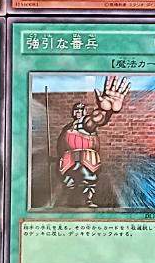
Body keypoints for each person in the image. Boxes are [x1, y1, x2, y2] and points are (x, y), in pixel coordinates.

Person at [56, 76, 131, 206]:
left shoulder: (85, 123)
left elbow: (96, 120)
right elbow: (61, 145)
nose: (78, 112)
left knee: (88, 181)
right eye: (76, 110)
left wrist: (105, 111)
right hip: (68, 160)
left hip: (86, 160)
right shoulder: (68, 127)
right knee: (69, 185)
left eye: (81, 110)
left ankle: (87, 201)